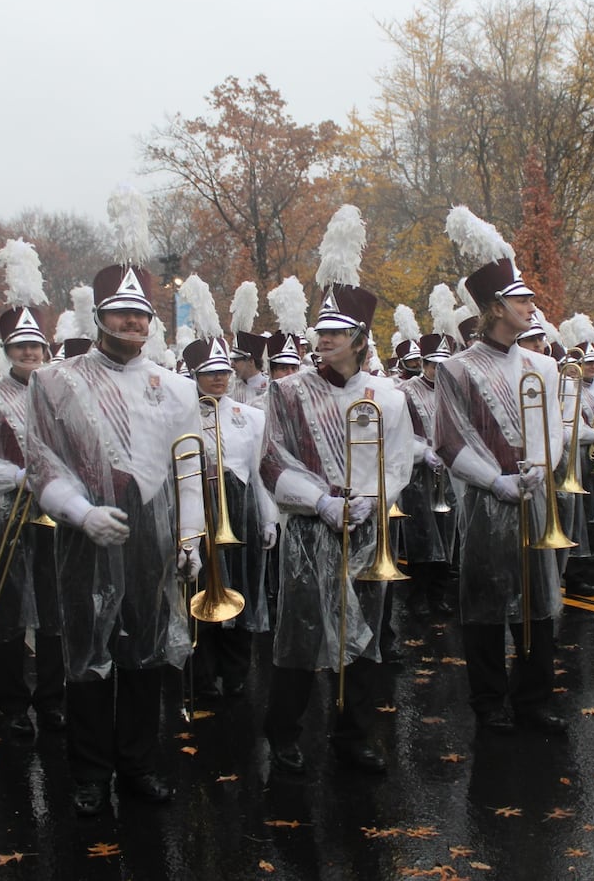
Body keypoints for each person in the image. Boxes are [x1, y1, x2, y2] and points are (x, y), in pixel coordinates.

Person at [26, 261, 202, 815]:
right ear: (98, 317)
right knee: (87, 654)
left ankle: (138, 764)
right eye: (120, 312)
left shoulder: (176, 388)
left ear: (152, 323)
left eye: (140, 313)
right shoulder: (55, 380)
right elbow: (40, 463)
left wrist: (191, 538)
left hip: (152, 531)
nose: (131, 321)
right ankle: (89, 774)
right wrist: (80, 513)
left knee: (144, 654)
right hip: (87, 533)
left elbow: (190, 466)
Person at [260, 206, 415, 775]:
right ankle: (283, 731)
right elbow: (272, 462)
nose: (323, 340)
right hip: (310, 527)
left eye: (334, 333)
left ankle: (352, 733)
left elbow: (399, 461)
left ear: (358, 338)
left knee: (364, 634)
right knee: (301, 636)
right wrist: (322, 502)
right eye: (320, 332)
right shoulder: (288, 392)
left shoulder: (389, 396)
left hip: (368, 529)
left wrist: (375, 499)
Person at [435, 206, 567, 735]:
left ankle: (535, 697)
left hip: (536, 496)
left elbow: (556, 427)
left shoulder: (545, 365)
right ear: (495, 306)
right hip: (486, 501)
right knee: (487, 603)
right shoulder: (456, 369)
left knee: (539, 601)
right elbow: (448, 442)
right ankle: (489, 702)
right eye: (522, 300)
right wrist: (496, 481)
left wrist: (543, 468)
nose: (532, 307)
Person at [0, 297, 67, 736]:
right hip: (6, 512)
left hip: (55, 514)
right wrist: (18, 476)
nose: (29, 353)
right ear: (6, 349)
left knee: (54, 607)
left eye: (36, 346)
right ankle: (10, 702)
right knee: (4, 610)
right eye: (20, 346)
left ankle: (52, 699)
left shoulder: (61, 390)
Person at [182, 328, 277, 700]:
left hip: (241, 511)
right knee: (200, 588)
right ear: (195, 377)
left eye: (224, 371)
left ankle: (236, 671)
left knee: (242, 587)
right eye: (210, 373)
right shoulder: (182, 415)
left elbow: (258, 471)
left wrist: (268, 516)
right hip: (199, 509)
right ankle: (202, 674)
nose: (220, 378)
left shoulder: (250, 416)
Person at [398, 332, 458, 615]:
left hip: (449, 474)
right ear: (423, 363)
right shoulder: (405, 391)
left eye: (443, 365)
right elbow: (398, 435)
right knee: (421, 535)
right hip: (418, 474)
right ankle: (417, 595)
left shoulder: (455, 390)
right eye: (434, 364)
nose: (439, 370)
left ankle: (439, 594)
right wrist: (423, 452)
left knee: (446, 533)